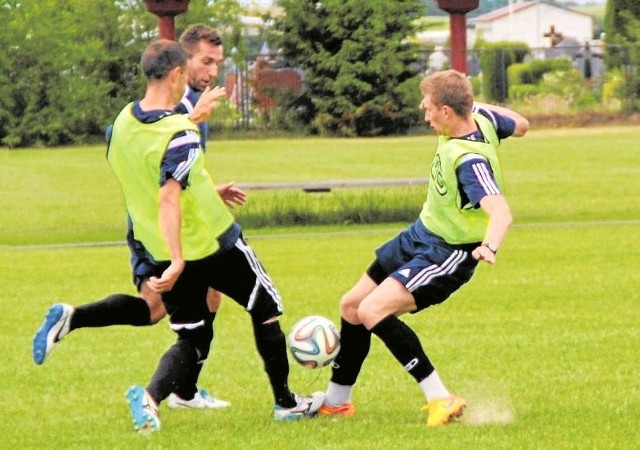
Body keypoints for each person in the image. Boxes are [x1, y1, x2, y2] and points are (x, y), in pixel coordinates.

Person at [106, 39, 322, 433]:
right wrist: (177, 258)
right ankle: (286, 403)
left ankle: (151, 398)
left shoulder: (121, 125)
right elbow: (169, 194)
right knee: (266, 308)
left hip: (162, 249)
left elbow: (149, 178)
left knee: (193, 338)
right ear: (176, 74)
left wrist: (168, 255)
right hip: (212, 241)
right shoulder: (181, 132)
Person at [31, 24, 242, 410]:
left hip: (175, 220)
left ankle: (185, 391)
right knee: (153, 309)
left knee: (207, 295)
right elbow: (141, 155)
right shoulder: (174, 105)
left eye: (218, 63)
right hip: (156, 226)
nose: (213, 72)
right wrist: (191, 119)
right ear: (182, 61)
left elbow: (176, 176)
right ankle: (165, 390)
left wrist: (212, 192)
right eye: (206, 62)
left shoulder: (191, 103)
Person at [317, 70, 529, 427]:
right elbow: (522, 125)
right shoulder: (480, 116)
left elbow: (502, 211)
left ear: (447, 111)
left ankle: (440, 398)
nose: (424, 114)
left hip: (447, 252)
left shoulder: (469, 161)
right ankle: (337, 402)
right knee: (352, 305)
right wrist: (470, 101)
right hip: (421, 233)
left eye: (429, 108)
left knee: (373, 310)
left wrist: (489, 247)